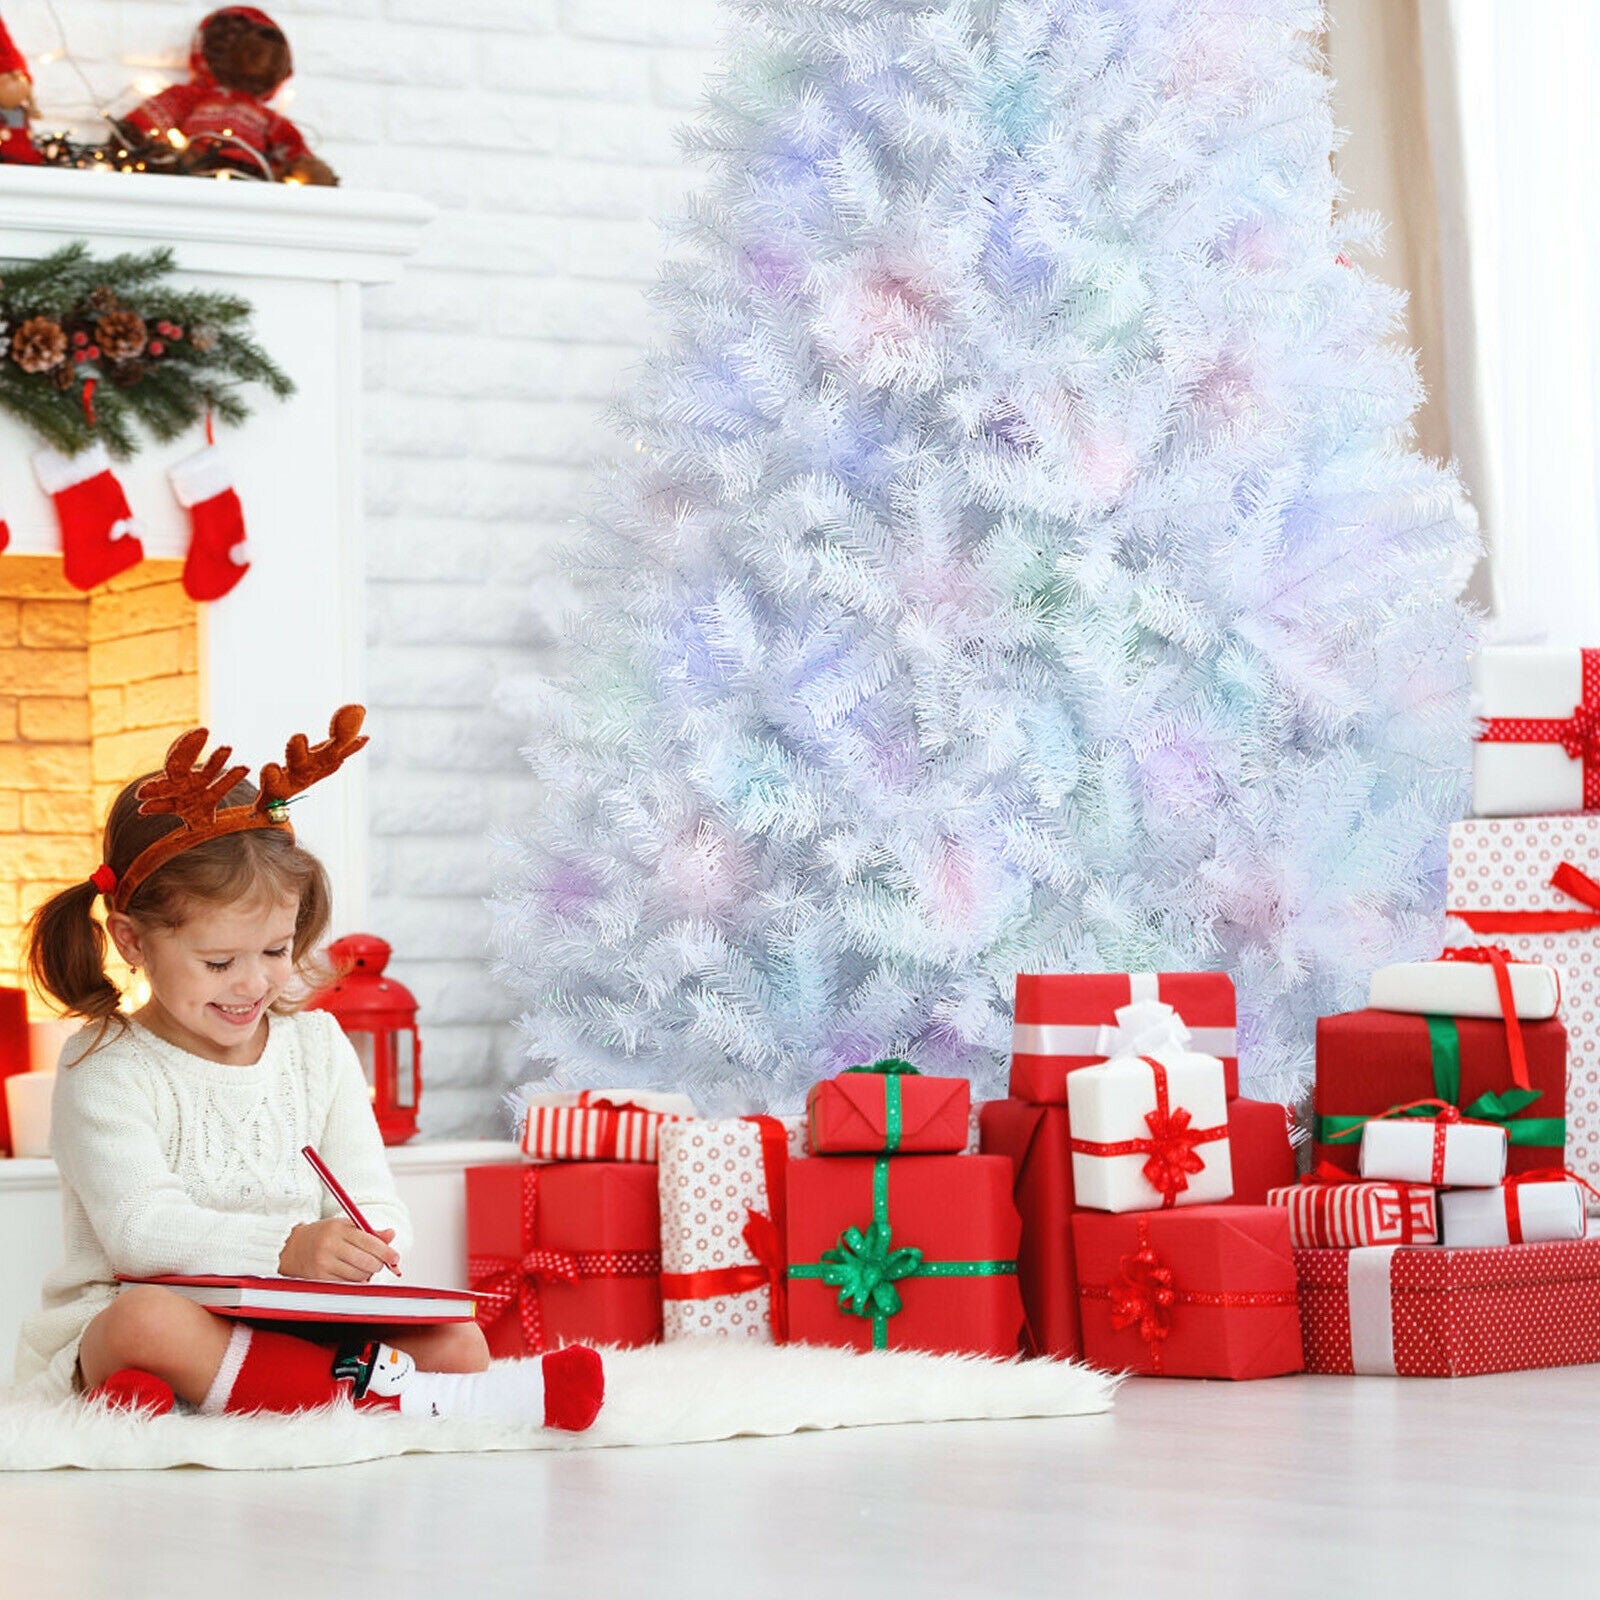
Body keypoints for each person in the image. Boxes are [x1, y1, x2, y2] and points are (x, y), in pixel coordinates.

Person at [17, 706, 603, 1430]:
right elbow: (141, 1228)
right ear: (133, 941)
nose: (252, 983)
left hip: (292, 1318)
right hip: (133, 1315)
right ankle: (389, 1399)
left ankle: (196, 1395)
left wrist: (369, 1243)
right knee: (148, 1324)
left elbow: (373, 1199)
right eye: (218, 962)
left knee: (460, 1341)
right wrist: (286, 1249)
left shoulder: (318, 1046)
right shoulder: (107, 1063)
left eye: (274, 950)